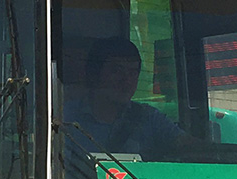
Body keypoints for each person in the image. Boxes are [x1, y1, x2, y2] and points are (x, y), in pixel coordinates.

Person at [62, 37, 190, 160]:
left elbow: (187, 145)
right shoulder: (66, 117)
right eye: (116, 71)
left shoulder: (148, 118)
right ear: (94, 74)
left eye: (132, 73)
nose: (126, 80)